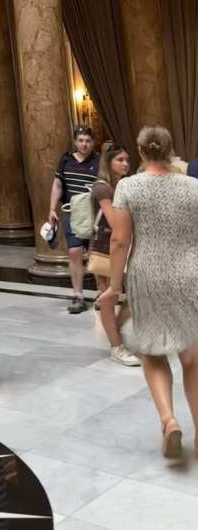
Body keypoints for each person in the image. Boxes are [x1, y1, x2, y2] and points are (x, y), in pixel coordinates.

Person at [98, 126, 198, 459]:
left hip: (148, 275)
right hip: (189, 274)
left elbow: (119, 240)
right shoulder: (193, 187)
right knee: (192, 358)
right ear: (171, 150)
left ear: (141, 153)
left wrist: (114, 286)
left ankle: (169, 421)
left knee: (154, 353)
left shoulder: (129, 186)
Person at [89, 144, 139, 367]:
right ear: (108, 162)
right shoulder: (103, 188)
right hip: (105, 247)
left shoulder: (121, 185)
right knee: (109, 298)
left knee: (136, 295)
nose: (125, 163)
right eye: (120, 159)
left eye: (127, 159)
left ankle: (114, 332)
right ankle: (116, 346)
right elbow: (113, 221)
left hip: (124, 245)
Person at [49, 125, 99, 314]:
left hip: (94, 213)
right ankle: (78, 295)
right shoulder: (65, 160)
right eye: (81, 140)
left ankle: (101, 293)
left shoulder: (98, 161)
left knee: (96, 254)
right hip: (72, 213)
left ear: (92, 142)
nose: (84, 144)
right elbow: (57, 184)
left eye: (87, 141)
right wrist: (51, 209)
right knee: (75, 252)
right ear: (75, 141)